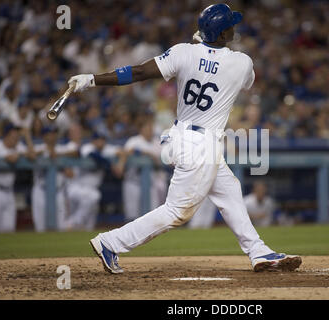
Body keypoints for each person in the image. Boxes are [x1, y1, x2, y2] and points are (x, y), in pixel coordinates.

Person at [69, 4, 302, 273]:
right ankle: (111, 242)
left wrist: (91, 80)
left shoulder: (183, 52)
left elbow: (140, 72)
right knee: (177, 212)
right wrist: (206, 49)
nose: (234, 29)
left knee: (230, 191)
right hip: (201, 146)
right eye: (230, 26)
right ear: (224, 33)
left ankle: (258, 252)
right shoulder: (242, 62)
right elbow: (245, 79)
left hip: (180, 137)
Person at [118, 118, 168, 221]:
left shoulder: (157, 142)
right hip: (133, 182)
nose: (150, 130)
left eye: (151, 128)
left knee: (152, 215)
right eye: (147, 128)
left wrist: (153, 157)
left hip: (151, 183)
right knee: (132, 216)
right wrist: (146, 153)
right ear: (141, 129)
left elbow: (164, 159)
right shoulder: (134, 140)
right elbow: (126, 152)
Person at [31, 126, 77, 232]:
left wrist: (58, 155)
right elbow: (30, 154)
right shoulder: (39, 148)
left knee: (62, 227)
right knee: (40, 228)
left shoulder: (61, 148)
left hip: (58, 191)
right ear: (44, 136)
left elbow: (76, 152)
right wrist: (43, 153)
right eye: (50, 134)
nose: (53, 136)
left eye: (54, 134)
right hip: (41, 190)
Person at [0, 124, 34, 232]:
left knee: (9, 229)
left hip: (10, 192)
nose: (16, 138)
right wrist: (20, 153)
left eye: (17, 136)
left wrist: (27, 136)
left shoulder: (17, 146)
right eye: (13, 136)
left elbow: (32, 155)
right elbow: (12, 158)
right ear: (6, 136)